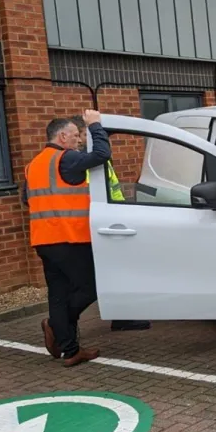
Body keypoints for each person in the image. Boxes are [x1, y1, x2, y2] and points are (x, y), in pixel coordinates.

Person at [24, 111, 108, 367]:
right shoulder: (66, 158)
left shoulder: (33, 165)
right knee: (90, 287)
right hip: (70, 238)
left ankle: (70, 350)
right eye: (75, 135)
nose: (79, 141)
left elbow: (26, 200)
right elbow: (102, 156)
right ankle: (56, 326)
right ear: (62, 136)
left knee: (59, 294)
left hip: (43, 240)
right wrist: (95, 125)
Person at [68, 115, 150, 333]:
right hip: (93, 226)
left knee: (118, 273)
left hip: (111, 220)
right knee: (91, 282)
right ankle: (62, 320)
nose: (93, 138)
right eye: (86, 134)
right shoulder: (80, 160)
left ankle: (121, 317)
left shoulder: (94, 157)